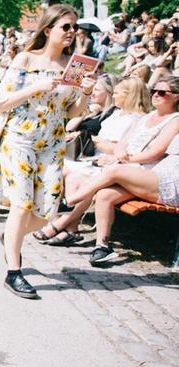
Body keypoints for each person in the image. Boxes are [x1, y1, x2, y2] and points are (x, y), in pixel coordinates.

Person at [0, 4, 96, 299]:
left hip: (52, 143)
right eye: (66, 27)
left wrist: (85, 91)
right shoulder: (26, 60)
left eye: (75, 27)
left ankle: (12, 234)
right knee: (21, 206)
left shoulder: (73, 66)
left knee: (47, 211)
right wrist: (35, 87)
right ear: (48, 30)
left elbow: (72, 112)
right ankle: (14, 272)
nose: (72, 33)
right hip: (20, 139)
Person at [66, 79, 179, 265]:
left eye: (162, 92)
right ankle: (102, 246)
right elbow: (122, 144)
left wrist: (125, 160)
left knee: (115, 171)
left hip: (161, 178)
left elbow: (155, 153)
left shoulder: (175, 120)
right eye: (154, 91)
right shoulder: (146, 117)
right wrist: (120, 154)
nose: (156, 95)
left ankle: (72, 200)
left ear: (176, 96)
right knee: (104, 194)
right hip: (133, 171)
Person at [35, 77, 158, 246]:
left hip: (114, 164)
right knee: (67, 174)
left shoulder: (137, 119)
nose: (113, 97)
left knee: (83, 180)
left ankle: (61, 223)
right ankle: (71, 229)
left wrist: (97, 142)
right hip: (96, 159)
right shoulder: (116, 113)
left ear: (130, 95)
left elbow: (121, 150)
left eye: (116, 93)